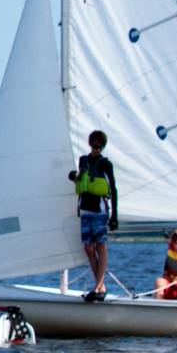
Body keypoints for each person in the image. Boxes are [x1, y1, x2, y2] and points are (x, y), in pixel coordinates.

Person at [67, 129, 118, 302]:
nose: (97, 148)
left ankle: (98, 287)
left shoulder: (106, 164)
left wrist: (114, 216)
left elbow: (113, 189)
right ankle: (100, 286)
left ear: (102, 147)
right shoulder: (84, 160)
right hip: (85, 209)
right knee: (88, 248)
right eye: (94, 145)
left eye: (100, 146)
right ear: (90, 144)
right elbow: (81, 178)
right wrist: (74, 177)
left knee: (100, 246)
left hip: (100, 210)